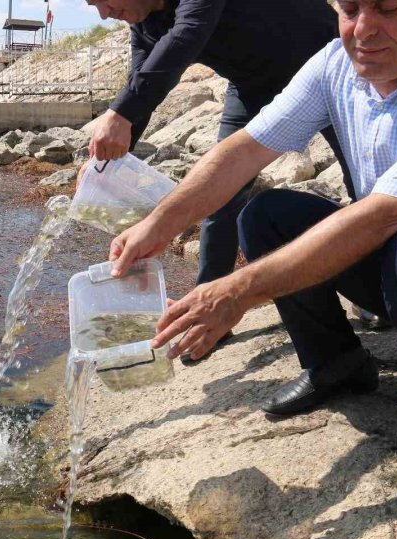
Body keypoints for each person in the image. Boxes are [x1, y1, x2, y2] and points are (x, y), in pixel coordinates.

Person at [109, 0, 397, 465]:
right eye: (351, 8)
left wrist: (236, 292)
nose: (363, 29)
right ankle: (335, 363)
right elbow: (244, 150)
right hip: (395, 257)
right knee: (264, 215)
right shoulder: (335, 62)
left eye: (388, 8)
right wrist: (159, 223)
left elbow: (382, 215)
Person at [82, 1, 356, 359]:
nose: (103, 13)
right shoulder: (143, 21)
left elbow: (188, 35)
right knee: (222, 197)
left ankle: (381, 288)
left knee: (361, 179)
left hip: (322, 63)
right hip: (253, 84)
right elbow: (141, 80)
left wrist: (119, 113)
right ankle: (209, 317)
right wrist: (103, 160)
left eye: (103, 0)